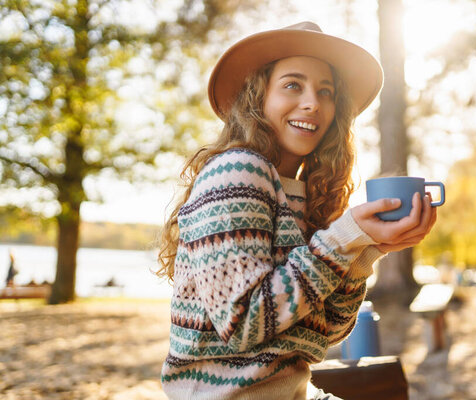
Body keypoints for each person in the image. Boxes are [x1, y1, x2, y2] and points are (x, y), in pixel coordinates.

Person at [156, 22, 437, 400]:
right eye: (293, 85)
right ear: (258, 97)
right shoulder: (237, 171)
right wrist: (342, 240)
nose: (313, 103)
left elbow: (324, 334)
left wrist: (366, 249)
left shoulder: (303, 194)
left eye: (326, 91)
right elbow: (242, 324)